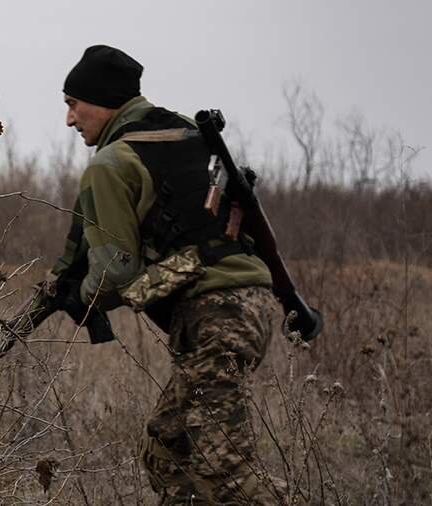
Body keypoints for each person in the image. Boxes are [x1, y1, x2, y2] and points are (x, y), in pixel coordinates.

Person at [53, 45, 288, 505]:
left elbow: (115, 273)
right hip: (251, 304)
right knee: (170, 448)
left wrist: (79, 296)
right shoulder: (184, 132)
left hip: (216, 316)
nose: (69, 119)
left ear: (102, 100)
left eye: (73, 104)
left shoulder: (110, 164)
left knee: (226, 478)